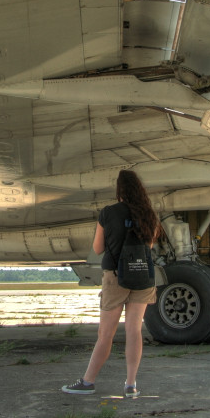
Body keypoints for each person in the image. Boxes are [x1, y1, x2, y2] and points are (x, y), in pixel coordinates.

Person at [62, 170, 160, 399]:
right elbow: (150, 245)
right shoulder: (149, 215)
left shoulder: (108, 213)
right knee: (134, 330)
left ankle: (88, 381)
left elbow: (97, 248)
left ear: (119, 190)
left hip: (116, 277)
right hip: (142, 277)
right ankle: (130, 384)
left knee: (106, 334)